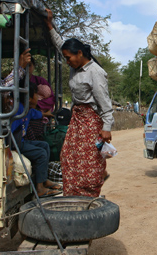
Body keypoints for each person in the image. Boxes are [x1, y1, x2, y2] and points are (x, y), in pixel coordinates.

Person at [46, 11, 114, 197]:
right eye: (65, 58)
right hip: (77, 119)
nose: (67, 61)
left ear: (80, 53)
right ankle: (73, 194)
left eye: (69, 58)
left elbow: (105, 104)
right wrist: (50, 25)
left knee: (89, 161)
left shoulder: (95, 72)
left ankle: (88, 195)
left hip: (91, 121)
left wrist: (106, 127)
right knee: (67, 157)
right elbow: (61, 45)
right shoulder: (74, 64)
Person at [11, 83, 61, 197]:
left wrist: (46, 114)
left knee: (44, 145)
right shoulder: (19, 109)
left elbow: (38, 114)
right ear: (29, 98)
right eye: (36, 97)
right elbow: (11, 131)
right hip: (16, 143)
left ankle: (44, 179)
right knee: (41, 153)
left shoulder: (29, 110)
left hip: (22, 141)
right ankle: (39, 188)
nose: (37, 100)